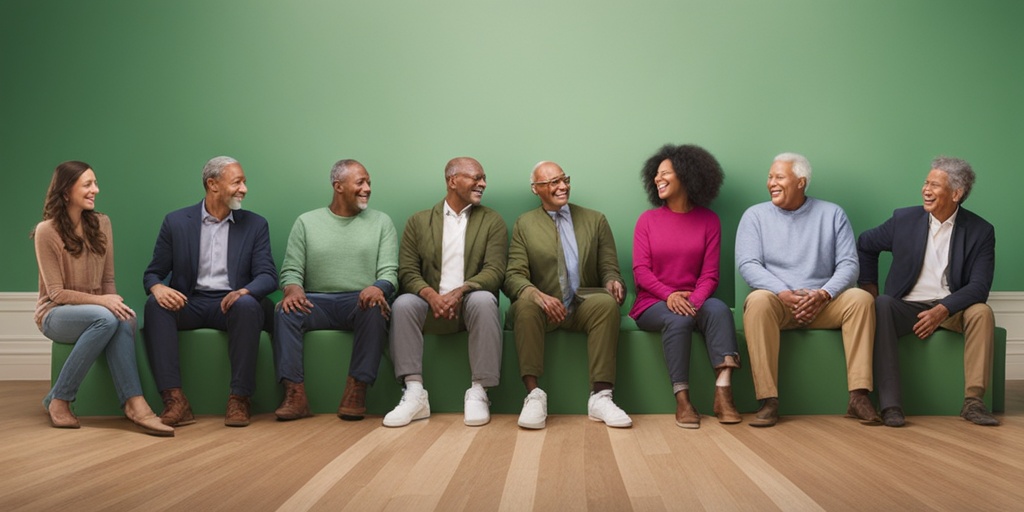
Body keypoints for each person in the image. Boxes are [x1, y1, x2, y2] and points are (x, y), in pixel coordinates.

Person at [736, 152, 879, 427]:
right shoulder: (755, 216)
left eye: (779, 177)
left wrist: (823, 294)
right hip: (779, 303)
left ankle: (859, 396)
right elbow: (748, 264)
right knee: (757, 301)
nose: (771, 183)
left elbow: (849, 264)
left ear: (801, 182)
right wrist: (783, 292)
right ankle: (768, 400)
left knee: (861, 299)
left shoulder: (833, 213)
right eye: (769, 177)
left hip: (823, 303)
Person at [34, 161, 173, 436]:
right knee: (106, 316)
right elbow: (57, 293)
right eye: (87, 184)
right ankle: (60, 399)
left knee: (121, 320)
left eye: (95, 183)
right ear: (65, 192)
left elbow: (108, 281)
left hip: (98, 314)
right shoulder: (46, 231)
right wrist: (104, 303)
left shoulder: (102, 223)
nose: (95, 190)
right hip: (55, 314)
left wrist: (115, 305)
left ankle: (134, 403)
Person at [858, 156, 998, 427]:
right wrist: (869, 289)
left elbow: (979, 287)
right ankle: (890, 406)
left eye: (935, 185)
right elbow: (865, 243)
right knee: (882, 304)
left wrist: (943, 309)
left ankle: (973, 402)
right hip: (907, 306)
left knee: (982, 312)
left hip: (952, 309)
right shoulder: (904, 219)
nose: (926, 189)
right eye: (926, 182)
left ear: (956, 194)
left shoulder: (981, 231)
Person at [143, 156, 277, 428]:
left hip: (232, 303)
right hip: (190, 302)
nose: (244, 189)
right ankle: (175, 400)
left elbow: (268, 276)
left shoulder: (255, 225)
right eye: (237, 182)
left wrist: (244, 291)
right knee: (154, 306)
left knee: (249, 305)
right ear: (213, 185)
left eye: (244, 182)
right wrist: (157, 287)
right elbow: (153, 272)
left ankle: (240, 398)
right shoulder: (176, 222)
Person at [504, 161, 631, 429]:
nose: (563, 186)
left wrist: (612, 281)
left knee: (606, 305)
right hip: (543, 308)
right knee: (524, 307)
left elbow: (609, 267)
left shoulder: (595, 220)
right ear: (535, 189)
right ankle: (534, 396)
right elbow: (514, 275)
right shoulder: (524, 224)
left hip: (582, 304)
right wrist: (537, 296)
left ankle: (601, 397)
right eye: (553, 182)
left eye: (564, 179)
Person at [383, 157, 507, 427]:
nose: (483, 183)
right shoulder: (418, 221)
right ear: (453, 181)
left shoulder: (492, 221)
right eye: (476, 178)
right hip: (429, 306)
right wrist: (431, 296)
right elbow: (407, 271)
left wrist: (461, 291)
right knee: (403, 304)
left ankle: (479, 391)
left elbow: (495, 271)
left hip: (469, 306)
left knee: (485, 299)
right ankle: (414, 393)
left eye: (484, 178)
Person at [273, 159, 398, 422]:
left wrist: (378, 288)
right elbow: (291, 269)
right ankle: (294, 395)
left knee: (376, 308)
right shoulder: (307, 222)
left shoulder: (381, 222)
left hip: (359, 300)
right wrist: (293, 289)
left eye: (369, 182)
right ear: (338, 186)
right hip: (316, 301)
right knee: (284, 311)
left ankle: (357, 390)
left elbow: (389, 273)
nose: (367, 188)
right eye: (360, 182)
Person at [630, 144, 741, 429]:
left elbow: (710, 275)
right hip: (653, 302)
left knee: (719, 310)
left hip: (695, 299)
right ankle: (682, 400)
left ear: (687, 176)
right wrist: (669, 295)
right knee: (677, 321)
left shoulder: (709, 220)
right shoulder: (647, 220)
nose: (658, 179)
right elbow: (641, 272)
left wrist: (694, 299)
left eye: (665, 173)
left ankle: (723, 392)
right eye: (655, 175)